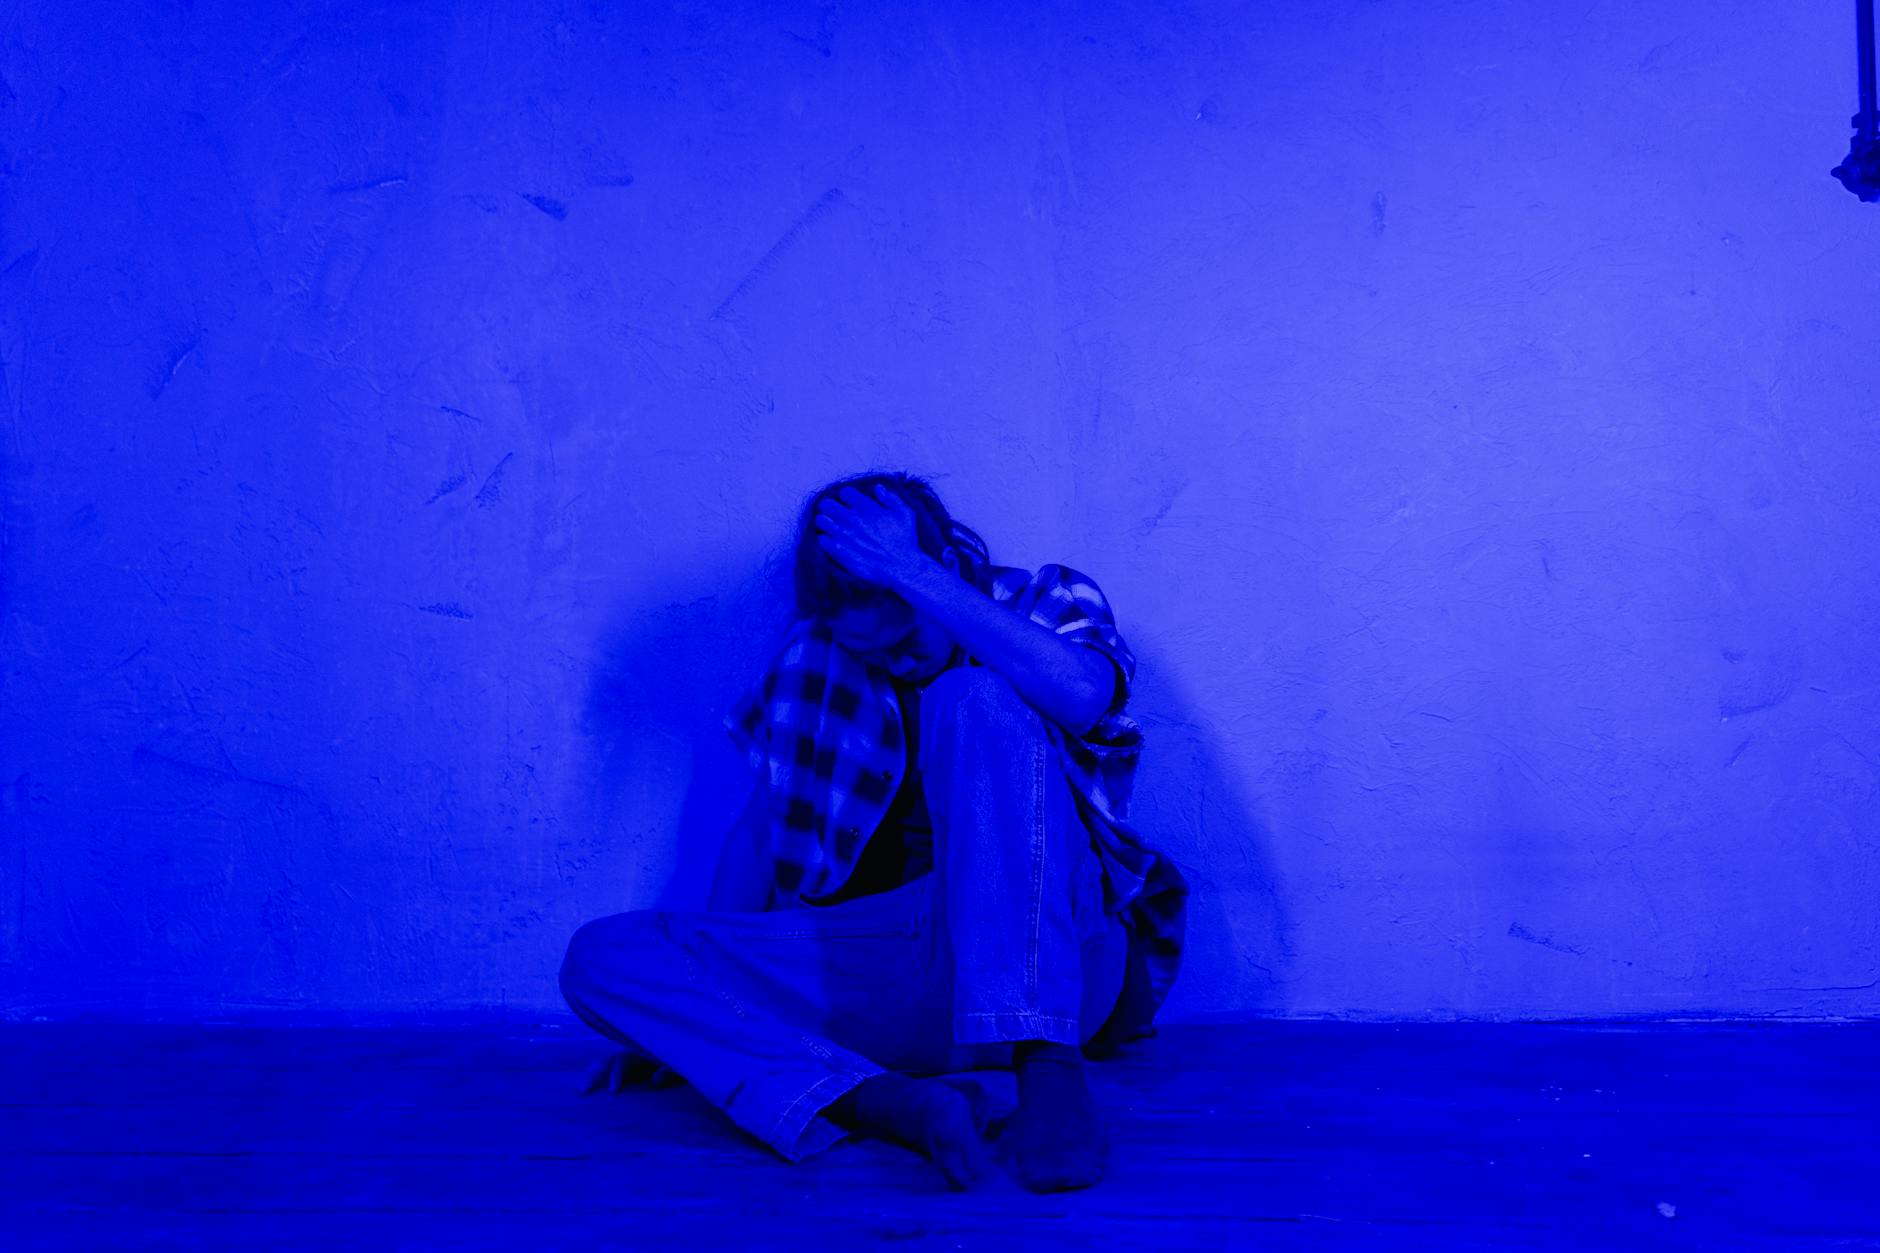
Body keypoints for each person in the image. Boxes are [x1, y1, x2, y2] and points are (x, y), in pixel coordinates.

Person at [558, 471, 1188, 1193]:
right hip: (883, 973)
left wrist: (912, 572)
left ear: (942, 567)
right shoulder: (813, 662)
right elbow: (761, 838)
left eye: (906, 637)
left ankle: (1047, 1068)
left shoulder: (1045, 600)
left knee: (973, 695)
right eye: (873, 654)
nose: (899, 663)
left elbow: (1083, 696)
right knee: (602, 956)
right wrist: (698, 1008)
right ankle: (888, 1102)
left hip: (1061, 960)